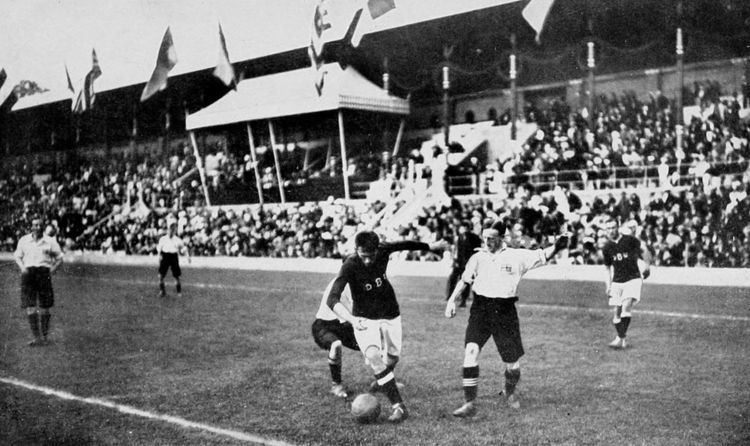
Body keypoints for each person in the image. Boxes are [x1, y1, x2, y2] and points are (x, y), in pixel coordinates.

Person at [445, 220, 569, 417]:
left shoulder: (517, 255)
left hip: (504, 311)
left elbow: (543, 254)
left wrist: (559, 245)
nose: (487, 242)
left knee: (512, 363)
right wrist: (452, 300)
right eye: (485, 238)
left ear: (502, 238)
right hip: (481, 309)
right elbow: (464, 280)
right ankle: (469, 403)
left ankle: (509, 393)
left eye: (492, 239)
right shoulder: (478, 257)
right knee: (471, 351)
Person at [326, 230, 447, 423]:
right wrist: (351, 319)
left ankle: (382, 381)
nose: (367, 261)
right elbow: (332, 299)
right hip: (364, 318)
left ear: (377, 249)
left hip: (390, 312)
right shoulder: (349, 265)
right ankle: (399, 406)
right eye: (363, 256)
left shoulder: (383, 250)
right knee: (374, 356)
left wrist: (429, 246)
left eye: (371, 256)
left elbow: (403, 244)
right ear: (356, 250)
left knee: (392, 358)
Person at [601, 219, 651, 349]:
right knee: (616, 314)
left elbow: (644, 250)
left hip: (633, 278)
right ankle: (621, 338)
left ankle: (621, 339)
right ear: (606, 231)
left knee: (626, 307)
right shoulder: (607, 247)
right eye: (608, 229)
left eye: (613, 227)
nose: (611, 231)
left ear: (618, 227)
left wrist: (647, 266)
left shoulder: (629, 240)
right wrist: (608, 285)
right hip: (617, 281)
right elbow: (607, 268)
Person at [14, 218, 64, 346]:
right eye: (35, 225)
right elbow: (17, 256)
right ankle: (37, 338)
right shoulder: (24, 240)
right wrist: (23, 268)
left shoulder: (50, 241)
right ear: (31, 227)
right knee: (30, 305)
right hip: (28, 274)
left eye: (40, 225)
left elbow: (59, 258)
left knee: (45, 306)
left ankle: (45, 337)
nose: (38, 227)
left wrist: (51, 271)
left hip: (43, 273)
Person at [312, 278, 359, 398]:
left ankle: (382, 381)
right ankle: (336, 385)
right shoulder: (342, 283)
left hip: (343, 325)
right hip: (324, 325)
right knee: (336, 344)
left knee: (378, 344)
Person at [446, 219, 482, 307]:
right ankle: (451, 296)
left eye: (462, 227)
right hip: (460, 262)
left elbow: (476, 251)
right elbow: (458, 251)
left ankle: (464, 300)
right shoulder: (460, 237)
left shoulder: (474, 238)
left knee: (467, 281)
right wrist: (456, 261)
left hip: (469, 263)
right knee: (453, 278)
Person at [157, 221, 190, 297]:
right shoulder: (163, 239)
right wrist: (159, 257)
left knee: (176, 276)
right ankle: (162, 291)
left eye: (173, 229)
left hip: (173, 257)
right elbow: (159, 249)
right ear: (167, 230)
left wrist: (188, 257)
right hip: (165, 256)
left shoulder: (177, 240)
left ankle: (179, 292)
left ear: (174, 231)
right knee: (160, 276)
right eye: (169, 229)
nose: (171, 231)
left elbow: (184, 249)